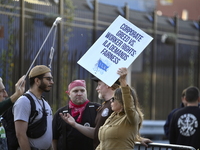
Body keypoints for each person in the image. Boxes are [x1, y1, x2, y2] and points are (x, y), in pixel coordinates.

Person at [60, 67, 152, 149]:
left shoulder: (131, 116)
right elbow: (103, 141)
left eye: (114, 99)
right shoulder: (113, 116)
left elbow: (129, 106)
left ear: (122, 101)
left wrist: (123, 80)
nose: (111, 101)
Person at [13, 65, 54, 150]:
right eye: (48, 79)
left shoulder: (45, 102)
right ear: (37, 81)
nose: (52, 82)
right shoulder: (24, 101)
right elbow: (20, 134)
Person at [52, 80, 100, 150]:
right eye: (75, 91)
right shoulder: (61, 113)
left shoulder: (97, 109)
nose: (79, 93)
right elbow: (54, 139)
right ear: (69, 94)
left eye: (82, 91)